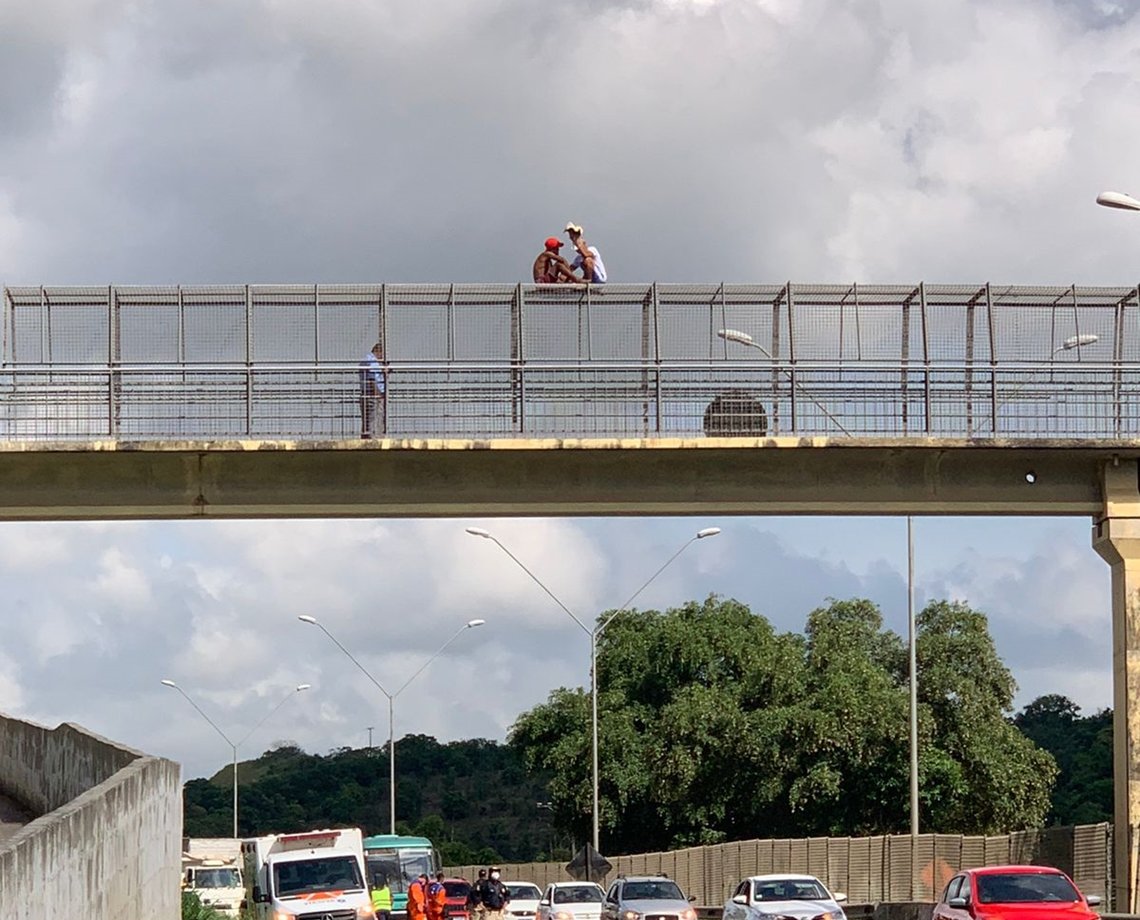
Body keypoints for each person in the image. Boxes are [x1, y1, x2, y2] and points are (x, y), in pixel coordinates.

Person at [359, 341, 388, 438]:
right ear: (378, 351)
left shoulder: (366, 359)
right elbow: (372, 377)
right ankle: (375, 438)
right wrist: (378, 394)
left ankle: (366, 437)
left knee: (367, 419)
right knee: (375, 417)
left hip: (366, 393)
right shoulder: (372, 361)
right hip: (373, 394)